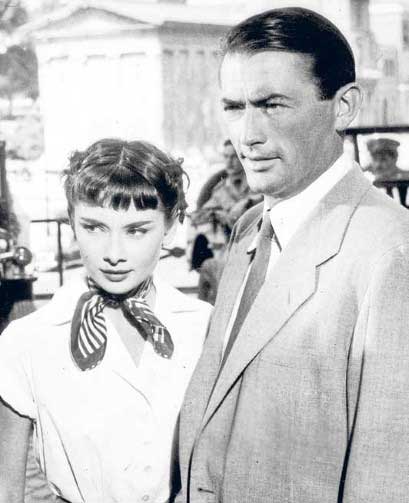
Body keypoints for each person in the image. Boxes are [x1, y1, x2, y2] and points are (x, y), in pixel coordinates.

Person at [177, 7, 409, 503]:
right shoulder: (249, 229)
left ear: (344, 107)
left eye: (273, 105)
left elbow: (386, 476)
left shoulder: (391, 254)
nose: (247, 135)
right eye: (234, 107)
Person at [0, 138, 212, 503]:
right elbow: (6, 490)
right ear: (72, 224)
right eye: (94, 227)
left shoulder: (205, 327)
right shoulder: (26, 341)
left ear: (171, 228)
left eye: (136, 230)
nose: (114, 254)